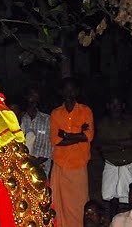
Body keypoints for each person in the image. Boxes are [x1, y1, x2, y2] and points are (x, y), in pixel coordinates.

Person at [50, 77, 95, 227]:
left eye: (72, 89)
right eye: (66, 89)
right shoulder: (56, 114)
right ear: (61, 92)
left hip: (79, 164)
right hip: (60, 164)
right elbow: (56, 140)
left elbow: (88, 136)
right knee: (60, 204)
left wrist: (67, 135)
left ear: (77, 91)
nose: (69, 92)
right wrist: (78, 136)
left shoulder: (85, 111)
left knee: (79, 203)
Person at [96, 96, 132, 218]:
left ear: (123, 106)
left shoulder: (130, 121)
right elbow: (102, 147)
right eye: (113, 105)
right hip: (111, 165)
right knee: (108, 200)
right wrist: (125, 144)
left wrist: (115, 144)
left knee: (129, 200)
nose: (116, 108)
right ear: (108, 106)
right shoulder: (103, 123)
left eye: (118, 105)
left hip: (128, 165)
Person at [20, 87, 52, 176]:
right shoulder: (20, 119)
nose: (33, 99)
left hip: (41, 165)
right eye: (31, 96)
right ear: (25, 97)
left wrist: (36, 162)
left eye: (36, 96)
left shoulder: (47, 120)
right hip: (22, 165)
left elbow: (49, 146)